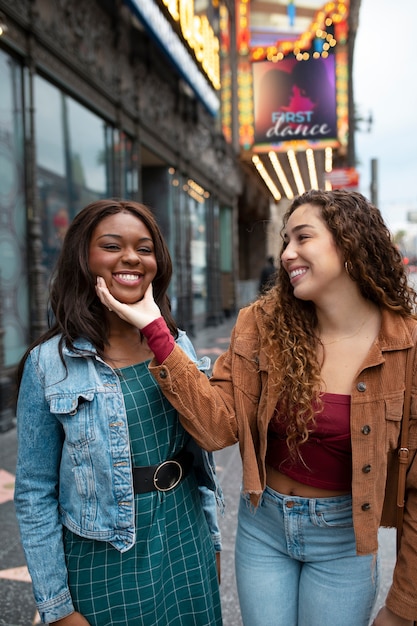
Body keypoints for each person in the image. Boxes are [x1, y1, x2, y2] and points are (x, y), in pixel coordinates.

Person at [95, 189, 417, 626]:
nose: (287, 254)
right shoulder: (261, 323)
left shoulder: (406, 347)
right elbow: (216, 430)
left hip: (344, 540)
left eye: (303, 238)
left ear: (350, 243)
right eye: (285, 241)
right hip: (263, 526)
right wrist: (156, 332)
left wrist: (403, 607)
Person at [14, 199, 224, 626]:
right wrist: (57, 608)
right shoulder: (48, 364)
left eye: (144, 248)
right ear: (84, 258)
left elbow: (203, 453)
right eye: (112, 246)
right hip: (104, 557)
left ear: (157, 263)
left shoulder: (174, 344)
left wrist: (213, 543)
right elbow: (34, 492)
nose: (131, 257)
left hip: (184, 537)